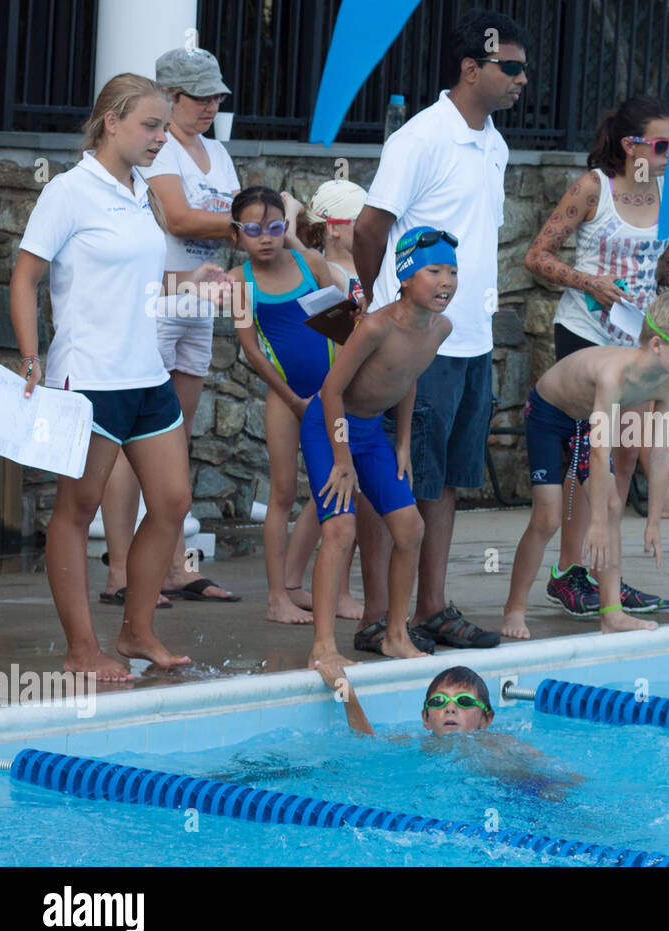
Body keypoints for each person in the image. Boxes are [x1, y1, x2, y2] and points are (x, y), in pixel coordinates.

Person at [9, 73, 232, 680]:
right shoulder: (69, 192)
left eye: (164, 126)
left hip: (144, 373)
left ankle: (135, 632)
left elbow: (139, 286)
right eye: (151, 125)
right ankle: (82, 648)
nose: (162, 137)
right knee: (77, 511)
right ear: (111, 122)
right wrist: (32, 357)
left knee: (172, 503)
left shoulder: (141, 193)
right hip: (89, 377)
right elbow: (25, 277)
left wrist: (192, 286)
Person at [353, 9, 528, 650]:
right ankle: (379, 614)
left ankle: (430, 607)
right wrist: (384, 308)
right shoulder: (421, 139)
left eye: (523, 68)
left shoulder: (495, 144)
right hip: (417, 341)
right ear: (470, 68)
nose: (522, 80)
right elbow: (371, 227)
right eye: (510, 67)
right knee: (393, 478)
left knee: (446, 479)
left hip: (470, 337)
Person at [523, 95, 669, 617]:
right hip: (587, 334)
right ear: (630, 145)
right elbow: (536, 256)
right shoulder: (595, 188)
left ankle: (603, 571)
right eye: (661, 145)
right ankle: (570, 570)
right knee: (587, 453)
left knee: (629, 453)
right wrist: (588, 279)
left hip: (642, 340)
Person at [98, 48, 241, 609]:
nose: (210, 106)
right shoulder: (157, 148)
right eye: (199, 96)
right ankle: (118, 573)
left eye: (215, 96)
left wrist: (254, 229)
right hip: (158, 301)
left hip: (198, 302)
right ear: (172, 95)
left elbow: (229, 221)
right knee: (129, 441)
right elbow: (179, 218)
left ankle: (172, 566)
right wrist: (251, 225)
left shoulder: (217, 152)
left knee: (173, 439)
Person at [500, 291, 669, 640]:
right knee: (547, 518)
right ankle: (514, 609)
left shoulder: (666, 383)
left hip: (584, 421)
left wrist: (654, 521)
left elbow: (661, 452)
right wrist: (596, 523)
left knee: (615, 503)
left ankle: (611, 613)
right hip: (547, 414)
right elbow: (602, 449)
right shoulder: (614, 375)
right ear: (659, 345)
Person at [300, 225, 461, 668]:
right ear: (406, 278)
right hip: (330, 428)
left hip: (372, 434)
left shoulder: (439, 328)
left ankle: (394, 633)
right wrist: (341, 459)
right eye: (434, 271)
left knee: (410, 529)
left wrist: (404, 443)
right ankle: (323, 648)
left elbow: (406, 380)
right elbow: (332, 390)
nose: (446, 281)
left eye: (452, 271)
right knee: (339, 530)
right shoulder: (374, 326)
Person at [228, 186, 364, 625]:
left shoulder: (310, 263)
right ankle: (277, 597)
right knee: (283, 493)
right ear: (237, 235)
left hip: (333, 395)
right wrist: (293, 400)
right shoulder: (238, 281)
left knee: (344, 485)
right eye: (253, 230)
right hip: (286, 399)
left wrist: (337, 392)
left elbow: (345, 325)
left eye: (273, 227)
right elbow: (252, 351)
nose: (265, 238)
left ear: (284, 228)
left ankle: (340, 592)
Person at [315, 663, 582, 797]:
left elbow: (559, 773)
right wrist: (345, 690)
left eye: (464, 702)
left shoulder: (501, 742)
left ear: (486, 719)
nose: (450, 709)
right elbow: (366, 744)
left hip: (526, 793)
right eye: (439, 702)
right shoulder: (416, 743)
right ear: (426, 718)